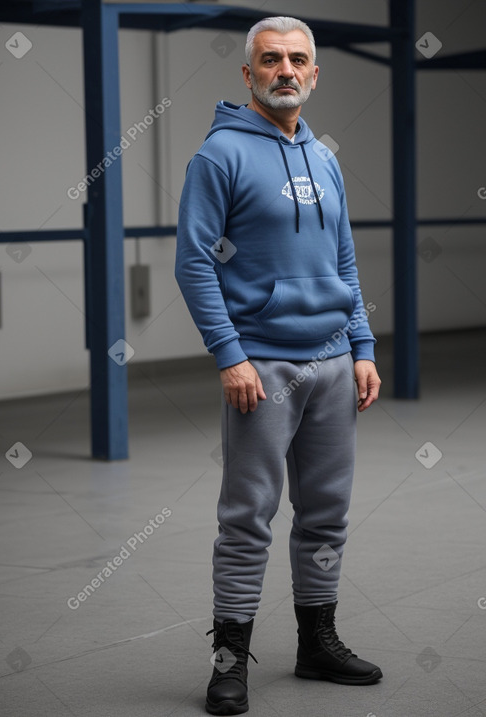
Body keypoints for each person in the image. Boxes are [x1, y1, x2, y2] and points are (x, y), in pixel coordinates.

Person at [175, 15, 383, 716]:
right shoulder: (219, 156)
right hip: (262, 369)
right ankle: (229, 661)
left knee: (326, 514)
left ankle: (316, 643)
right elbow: (193, 262)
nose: (285, 70)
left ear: (315, 74)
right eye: (271, 60)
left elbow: (343, 262)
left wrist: (362, 345)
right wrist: (229, 355)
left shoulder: (324, 158)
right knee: (247, 517)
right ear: (249, 74)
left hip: (330, 365)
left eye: (298, 60)